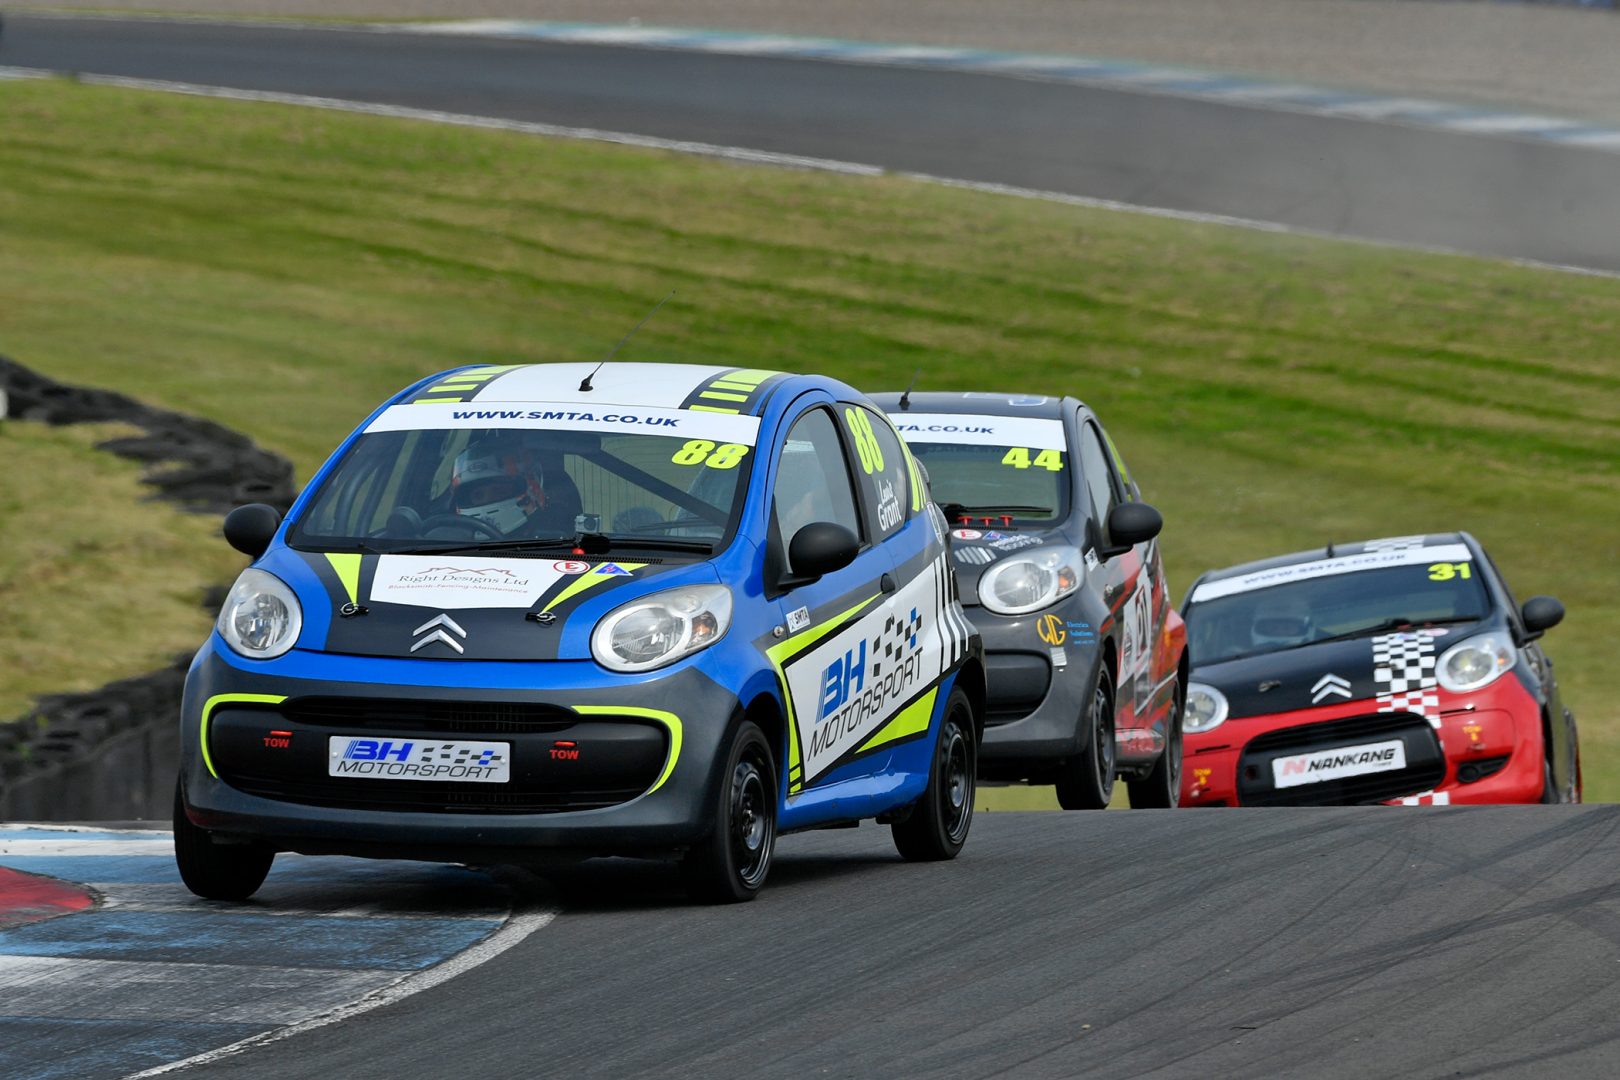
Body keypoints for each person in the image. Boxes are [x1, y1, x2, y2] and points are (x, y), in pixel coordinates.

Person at [450, 434, 581, 537]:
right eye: (478, 496)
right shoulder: (446, 540)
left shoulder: (558, 533)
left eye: (499, 491)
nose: (487, 500)